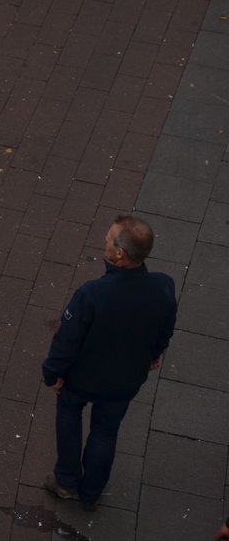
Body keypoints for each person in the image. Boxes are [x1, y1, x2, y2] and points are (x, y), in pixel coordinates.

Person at [41, 215, 177, 511]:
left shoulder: (92, 294)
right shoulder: (163, 287)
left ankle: (66, 480)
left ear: (120, 254)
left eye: (110, 237)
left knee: (69, 412)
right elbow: (165, 329)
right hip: (125, 381)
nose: (104, 238)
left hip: (81, 379)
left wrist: (52, 374)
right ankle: (91, 491)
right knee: (106, 431)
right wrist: (154, 354)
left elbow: (67, 341)